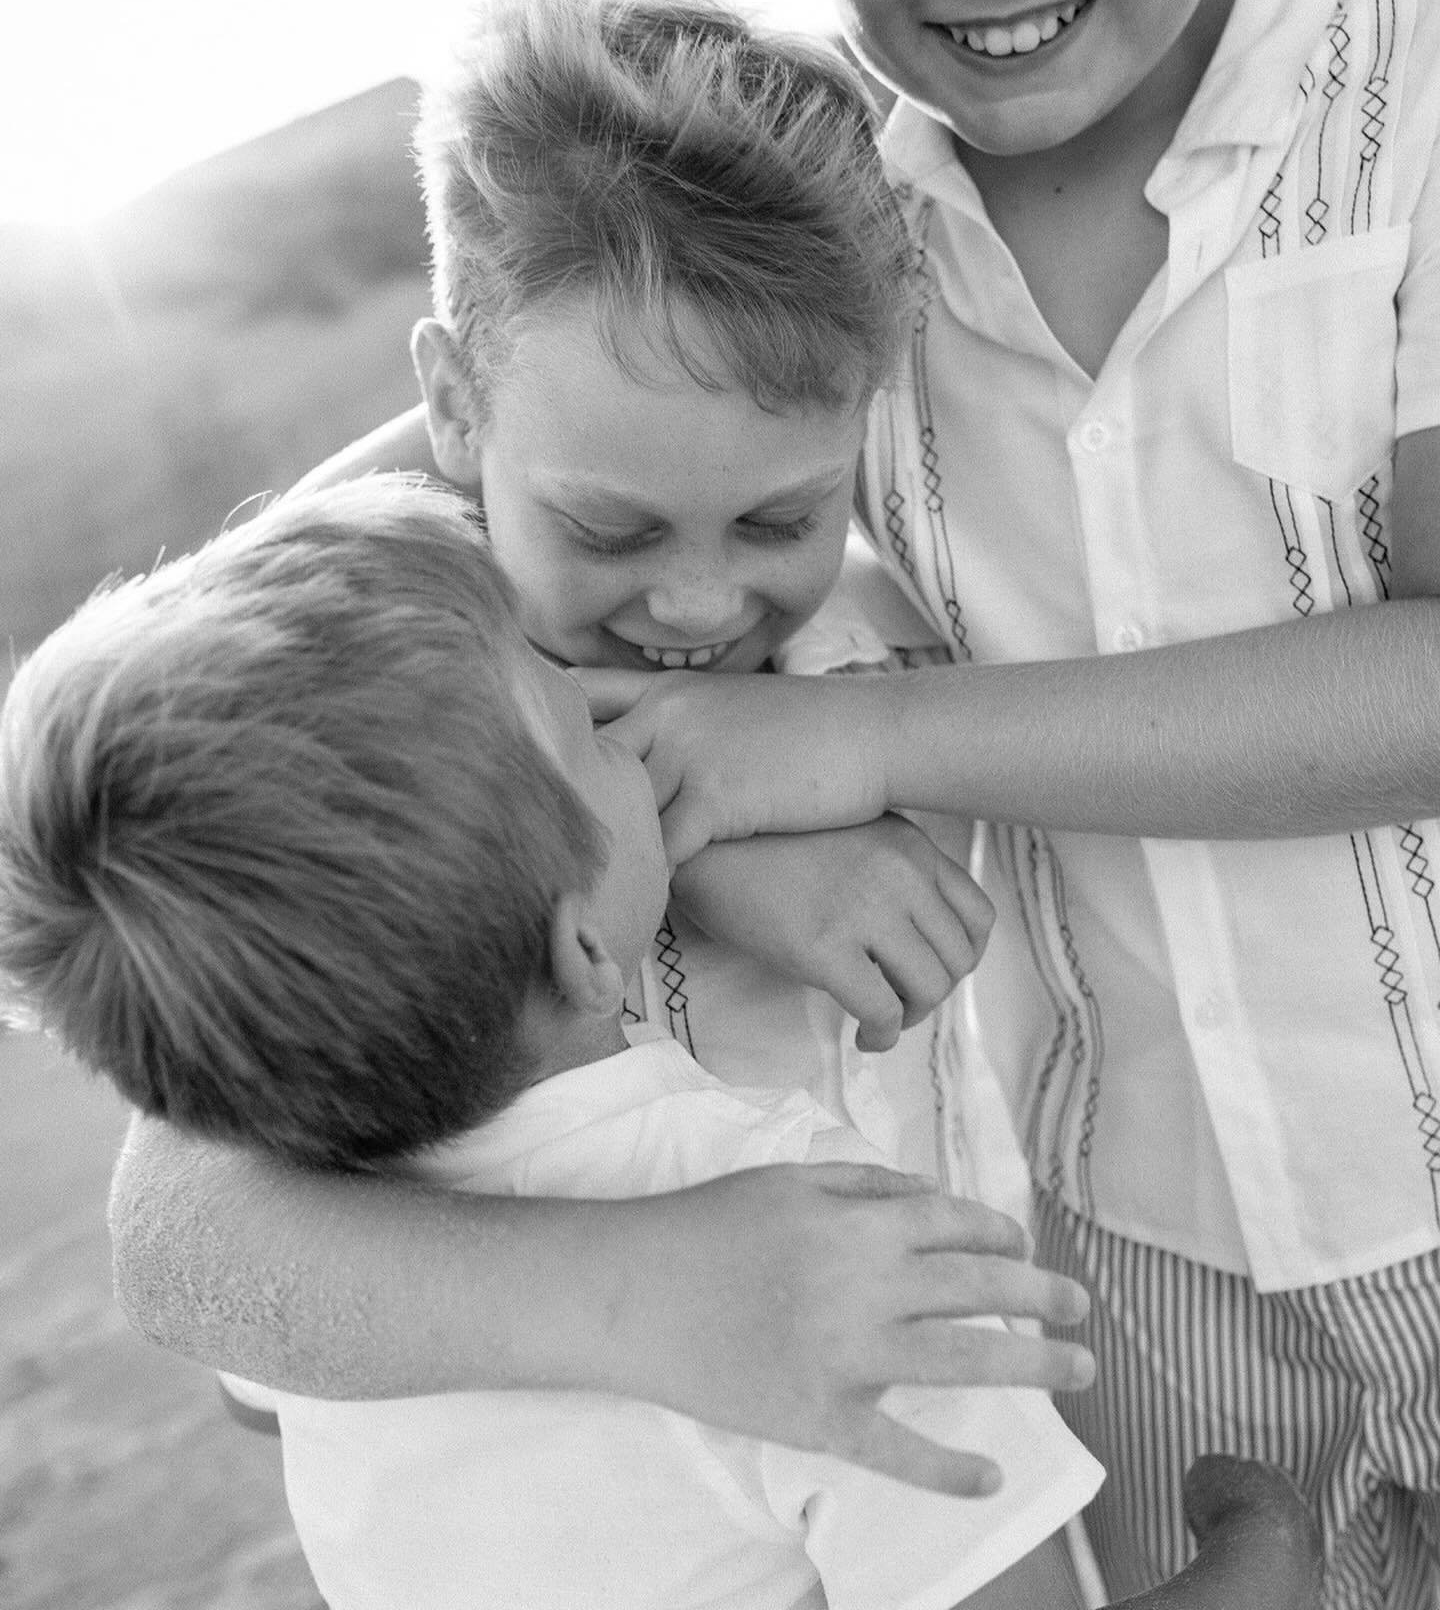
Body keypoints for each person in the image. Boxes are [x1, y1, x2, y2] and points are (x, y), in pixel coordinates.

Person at [574, 0, 1440, 1604]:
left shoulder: (1419, 85)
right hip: (1129, 1265)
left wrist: (866, 744)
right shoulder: (810, 234)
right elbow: (424, 534)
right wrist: (715, 846)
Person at [98, 0, 1094, 1501]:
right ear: (454, 407)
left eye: (781, 515)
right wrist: (676, 846)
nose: (699, 605)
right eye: (608, 528)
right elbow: (199, 1275)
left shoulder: (895, 643)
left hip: (891, 1486)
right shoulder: (388, 744)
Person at [0, 475, 1103, 1609]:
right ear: (580, 946)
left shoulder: (318, 1276)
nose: (638, 737)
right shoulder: (819, 1245)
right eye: (587, 730)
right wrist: (1250, 1552)